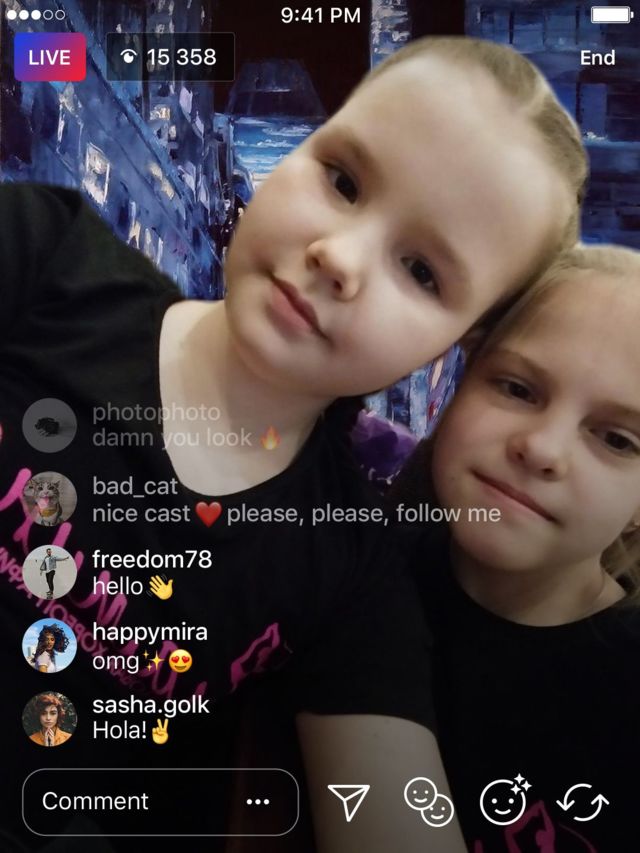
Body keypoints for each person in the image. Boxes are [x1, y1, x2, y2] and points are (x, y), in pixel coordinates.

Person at [0, 36, 587, 851]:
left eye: (422, 271)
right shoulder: (42, 257)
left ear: (456, 344)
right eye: (342, 179)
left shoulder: (349, 569)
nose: (338, 257)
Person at [392, 245, 640, 851]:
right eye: (517, 388)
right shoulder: (352, 573)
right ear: (457, 379)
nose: (543, 449)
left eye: (616, 439)